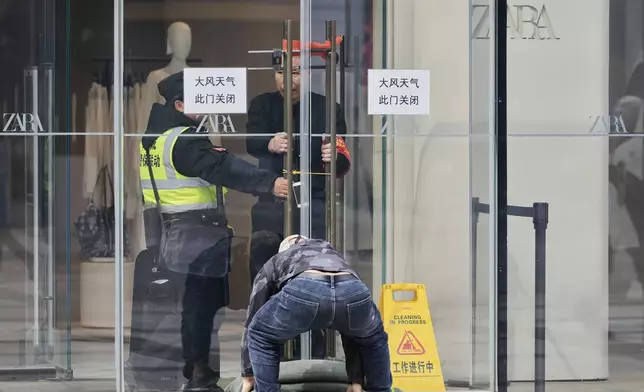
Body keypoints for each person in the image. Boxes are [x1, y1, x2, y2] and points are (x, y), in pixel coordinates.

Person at [138, 71, 288, 391]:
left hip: (173, 235)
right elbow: (222, 168)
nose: (205, 106)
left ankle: (198, 374)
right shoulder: (184, 139)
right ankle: (199, 378)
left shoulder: (157, 137)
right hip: (197, 238)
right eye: (197, 100)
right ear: (179, 104)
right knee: (202, 312)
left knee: (194, 310)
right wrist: (269, 183)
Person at [246, 52, 352, 359]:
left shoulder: (327, 108)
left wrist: (337, 156)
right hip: (272, 203)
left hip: (313, 203)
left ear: (308, 75)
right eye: (281, 72)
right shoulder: (261, 105)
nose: (287, 79)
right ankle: (268, 353)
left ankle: (315, 354)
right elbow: (251, 141)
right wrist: (269, 143)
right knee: (268, 278)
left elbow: (344, 158)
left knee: (314, 277)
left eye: (294, 72)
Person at [240, 234, 392, 392]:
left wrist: (248, 373)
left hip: (305, 287)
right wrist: (356, 379)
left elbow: (253, 315)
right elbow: (353, 331)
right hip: (351, 288)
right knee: (374, 338)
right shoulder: (332, 254)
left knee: (259, 333)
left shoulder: (277, 260)